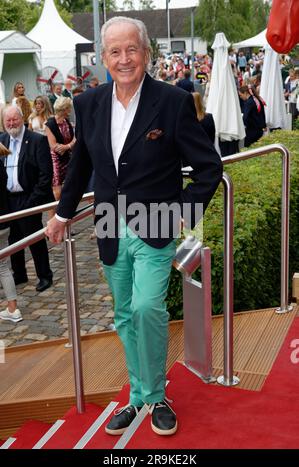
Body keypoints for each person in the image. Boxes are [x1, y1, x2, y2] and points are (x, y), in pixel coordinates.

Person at [45, 16, 222, 437]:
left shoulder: (172, 102)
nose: (124, 59)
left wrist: (183, 212)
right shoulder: (89, 103)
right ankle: (138, 395)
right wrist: (62, 213)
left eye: (132, 50)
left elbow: (209, 168)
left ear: (146, 53)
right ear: (103, 57)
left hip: (157, 223)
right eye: (115, 52)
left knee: (147, 308)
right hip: (108, 224)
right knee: (125, 314)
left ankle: (158, 395)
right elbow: (83, 163)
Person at [0, 105, 54, 292]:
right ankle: (19, 274)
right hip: (8, 200)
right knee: (13, 239)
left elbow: (46, 175)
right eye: (8, 120)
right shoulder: (2, 140)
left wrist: (33, 200)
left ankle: (44, 275)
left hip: (29, 198)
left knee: (34, 238)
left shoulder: (37, 140)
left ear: (21, 118)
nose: (12, 123)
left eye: (15, 119)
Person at [0, 143, 22, 323]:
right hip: (4, 221)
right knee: (4, 266)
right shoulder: (1, 163)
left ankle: (13, 308)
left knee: (2, 267)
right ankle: (12, 308)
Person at [45, 97, 75, 216]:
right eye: (69, 108)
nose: (70, 110)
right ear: (65, 109)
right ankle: (51, 221)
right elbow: (53, 146)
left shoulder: (67, 122)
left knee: (68, 190)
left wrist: (67, 147)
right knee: (56, 193)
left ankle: (66, 219)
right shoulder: (50, 124)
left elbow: (74, 139)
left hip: (67, 157)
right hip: (56, 160)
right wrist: (68, 146)